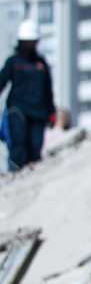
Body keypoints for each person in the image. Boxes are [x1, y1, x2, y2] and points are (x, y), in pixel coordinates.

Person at [0, 20, 56, 171]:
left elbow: (48, 90)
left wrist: (52, 113)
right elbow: (1, 82)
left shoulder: (41, 64)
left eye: (33, 41)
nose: (30, 45)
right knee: (18, 147)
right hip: (18, 111)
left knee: (35, 149)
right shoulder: (13, 62)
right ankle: (16, 175)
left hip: (38, 113)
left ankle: (32, 179)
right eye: (27, 42)